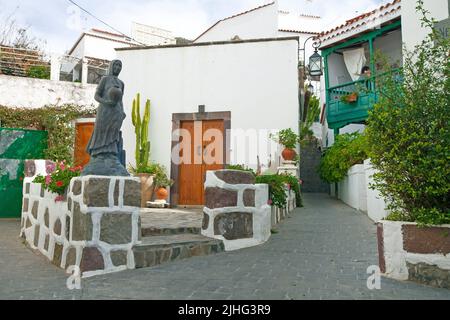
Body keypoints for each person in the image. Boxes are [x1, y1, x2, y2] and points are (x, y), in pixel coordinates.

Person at [81, 59, 129, 176]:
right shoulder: (105, 79)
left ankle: (111, 156)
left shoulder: (121, 83)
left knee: (113, 134)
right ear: (111, 66)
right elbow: (96, 95)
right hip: (105, 111)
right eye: (116, 65)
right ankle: (99, 155)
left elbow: (121, 100)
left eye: (120, 66)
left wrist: (122, 112)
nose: (117, 68)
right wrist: (105, 102)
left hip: (116, 113)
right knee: (101, 132)